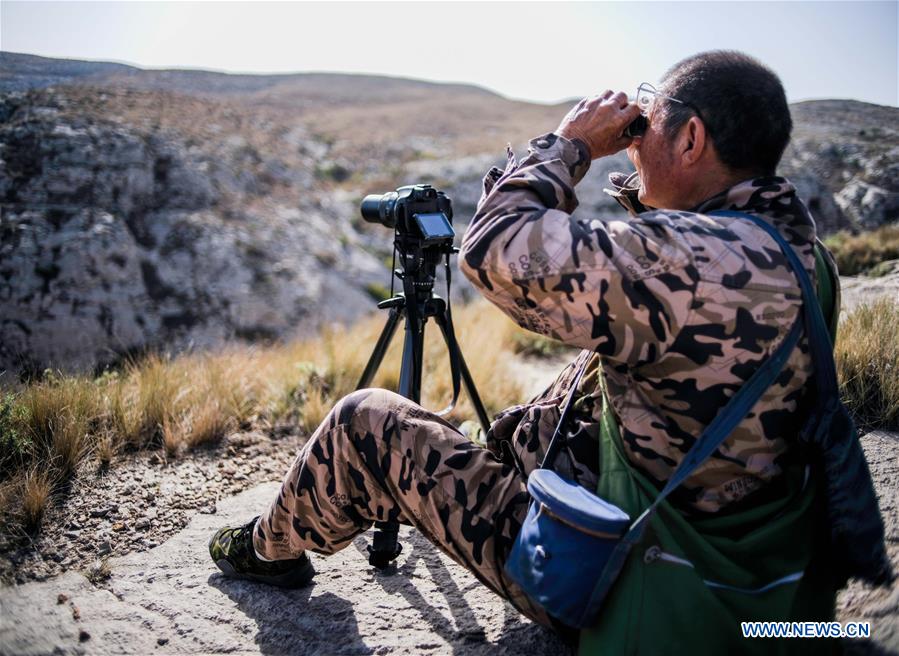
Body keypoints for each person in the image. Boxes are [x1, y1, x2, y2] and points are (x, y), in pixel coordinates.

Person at [208, 50, 866, 645]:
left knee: (364, 422)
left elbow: (492, 250)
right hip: (751, 567)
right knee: (538, 408)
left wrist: (570, 146)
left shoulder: (685, 265)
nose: (634, 143)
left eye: (649, 121)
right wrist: (648, 172)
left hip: (626, 575)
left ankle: (266, 549)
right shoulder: (801, 257)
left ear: (691, 137)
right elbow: (672, 300)